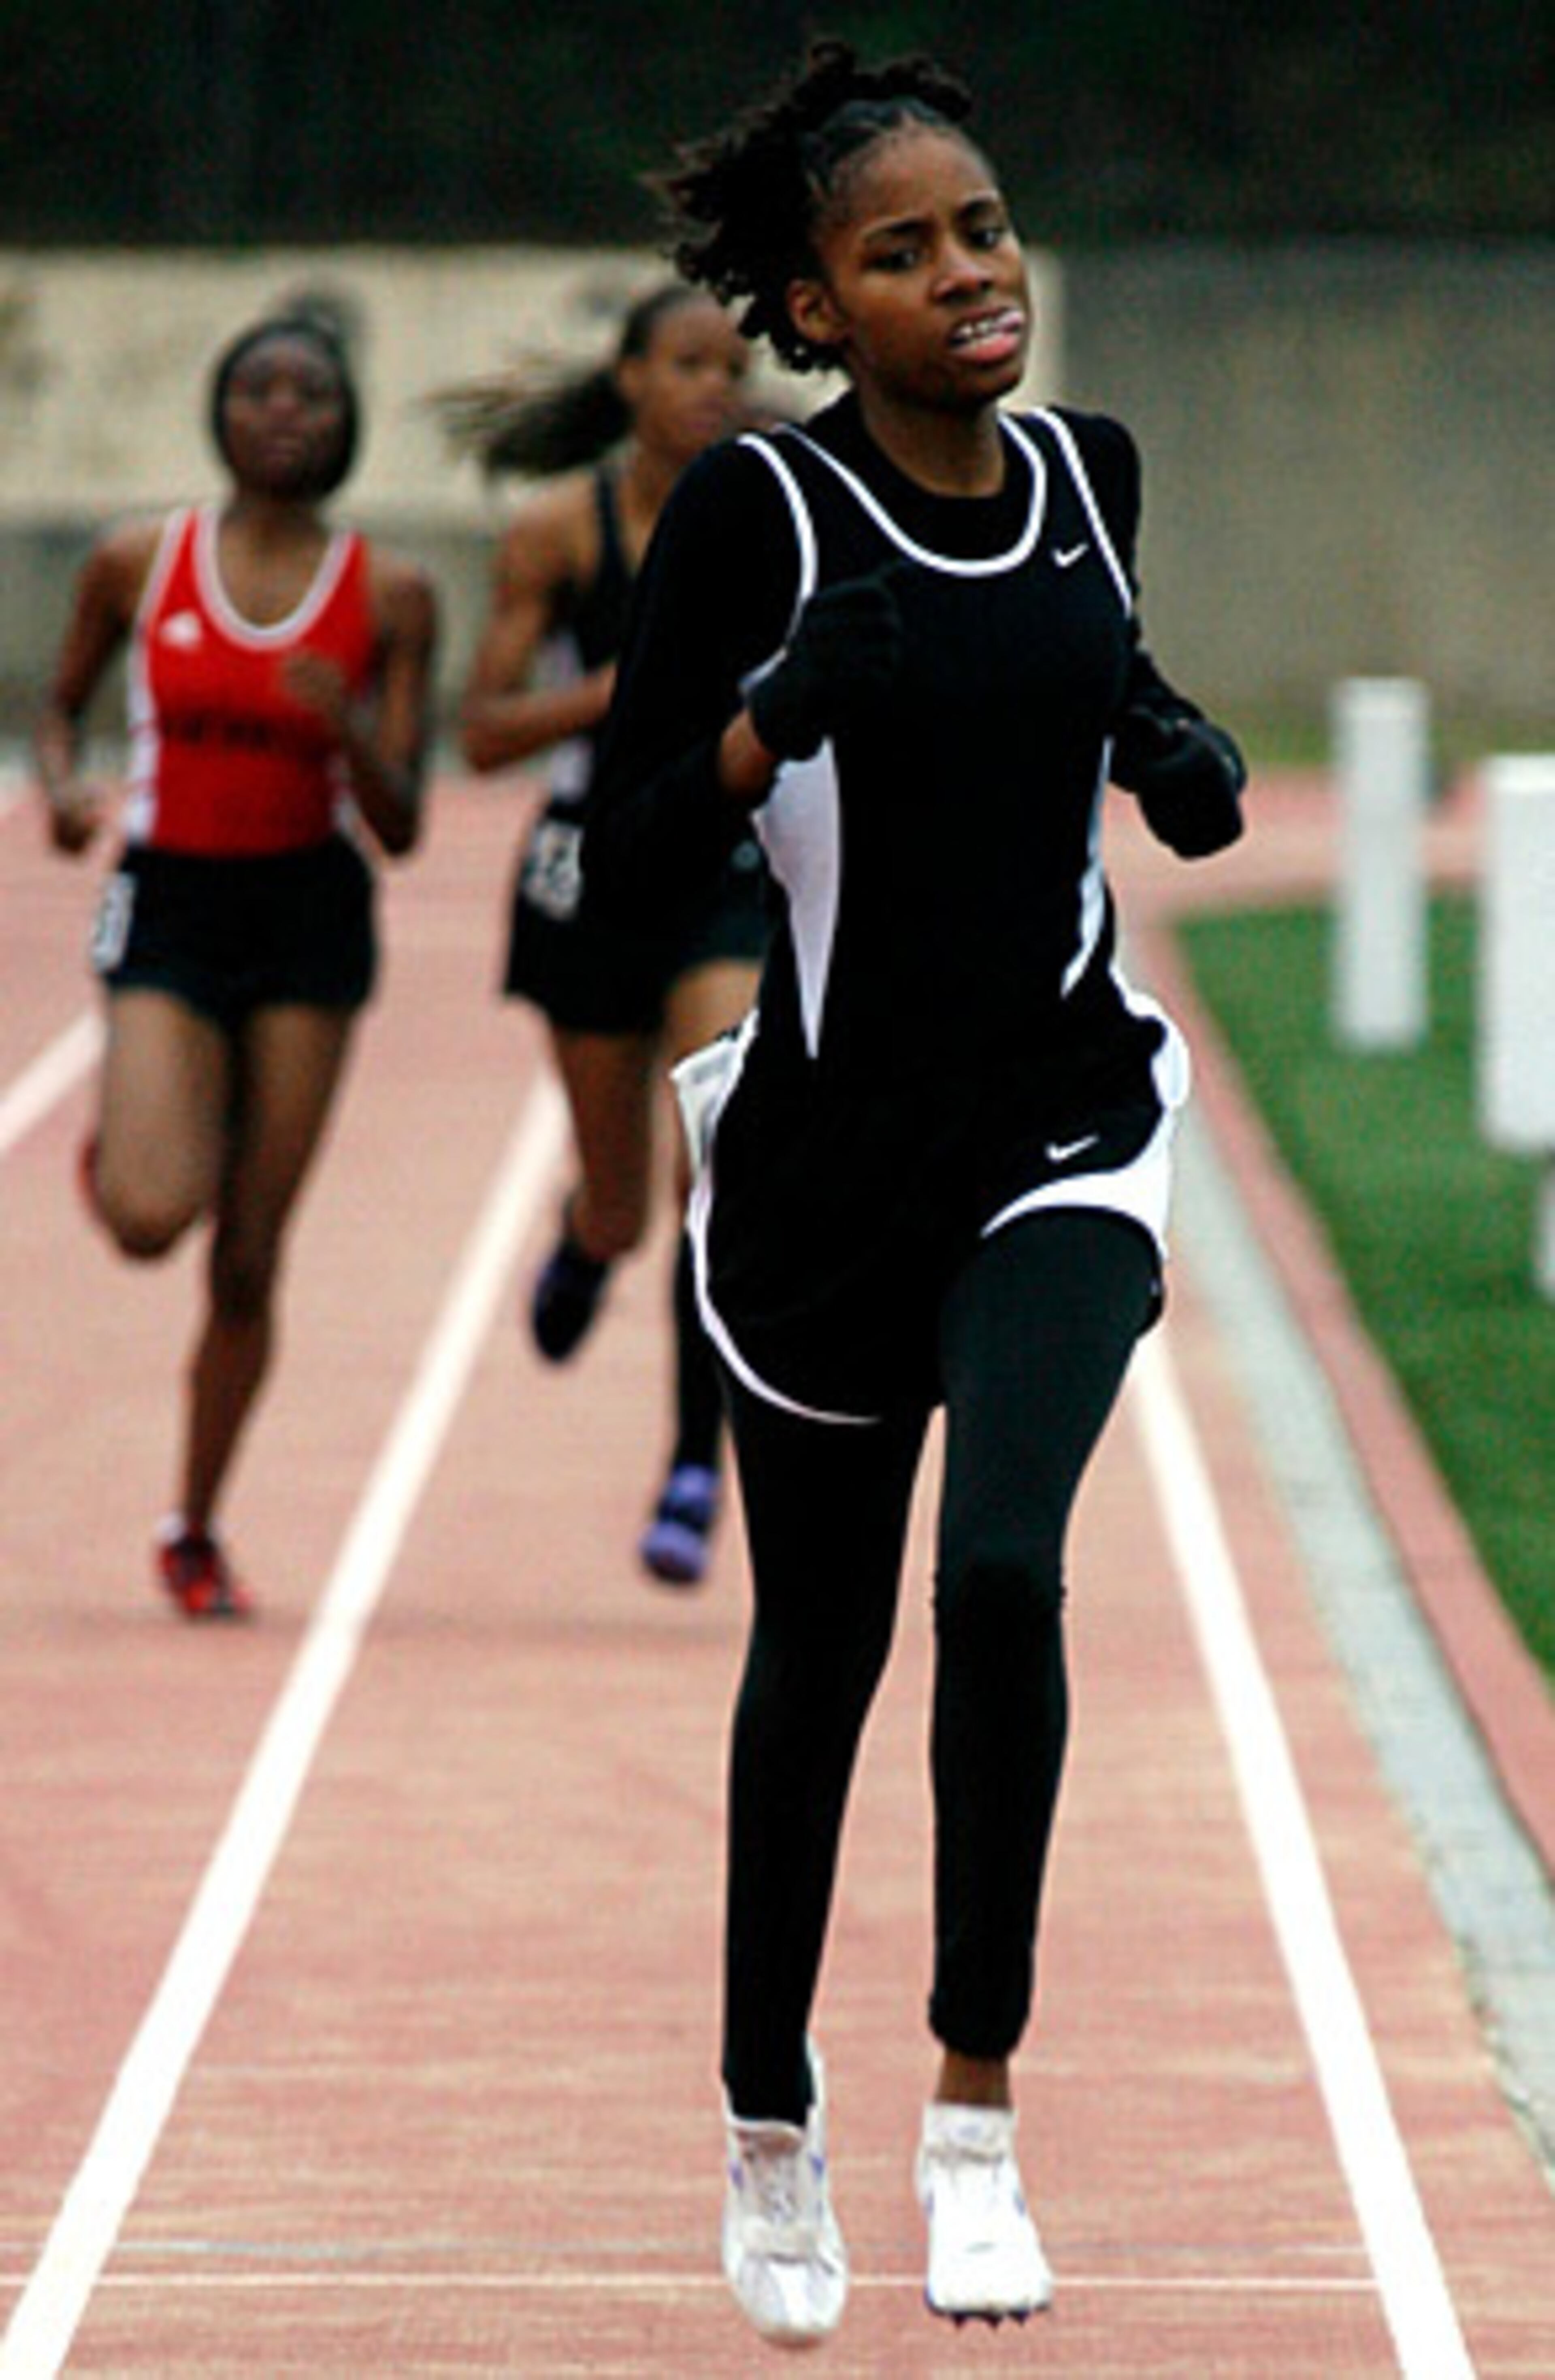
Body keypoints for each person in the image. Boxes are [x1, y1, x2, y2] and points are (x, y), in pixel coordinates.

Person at [584, 40, 1248, 2347]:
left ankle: (976, 2112)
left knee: (1006, 1570)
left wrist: (1172, 748)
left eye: (983, 228)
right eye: (905, 251)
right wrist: (767, 720)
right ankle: (771, 2119)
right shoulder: (756, 522)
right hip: (828, 1169)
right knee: (823, 1654)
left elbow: (1098, 684)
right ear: (810, 303)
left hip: (1062, 1121)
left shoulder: (1088, 470)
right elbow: (626, 840)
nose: (972, 275)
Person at [35, 310, 439, 1620]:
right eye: (259, 390)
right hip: (169, 899)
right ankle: (136, 1148)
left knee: (250, 1260)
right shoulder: (137, 561)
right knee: (154, 1218)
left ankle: (194, 1525)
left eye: (313, 396)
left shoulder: (389, 595)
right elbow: (57, 711)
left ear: (346, 425)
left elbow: (400, 826)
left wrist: (348, 735)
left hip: (311, 919)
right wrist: (62, 795)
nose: (285, 412)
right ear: (219, 412)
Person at [448, 283, 769, 1587]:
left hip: (723, 870)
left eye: (732, 365)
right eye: (687, 363)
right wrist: (614, 692)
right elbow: (479, 733)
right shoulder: (556, 534)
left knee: (720, 1172)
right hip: (588, 874)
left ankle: (696, 1469)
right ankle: (586, 1243)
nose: (714, 385)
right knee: (629, 1203)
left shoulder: (773, 519)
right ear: (630, 378)